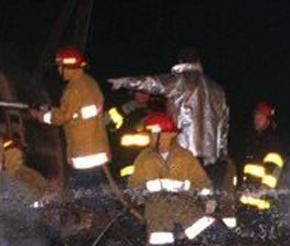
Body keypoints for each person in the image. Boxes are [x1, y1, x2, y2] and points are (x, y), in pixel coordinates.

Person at [127, 112, 221, 246]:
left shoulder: (185, 157)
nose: (150, 138)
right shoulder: (144, 159)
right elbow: (133, 189)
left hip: (187, 211)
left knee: (218, 235)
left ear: (166, 135)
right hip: (159, 214)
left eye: (153, 133)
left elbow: (201, 182)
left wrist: (208, 198)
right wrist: (145, 191)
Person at [109, 47, 232, 190]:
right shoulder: (218, 90)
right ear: (198, 62)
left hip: (184, 153)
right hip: (212, 159)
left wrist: (124, 81)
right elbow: (224, 126)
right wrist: (222, 155)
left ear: (180, 61)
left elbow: (151, 83)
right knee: (206, 197)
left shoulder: (179, 81)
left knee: (181, 199)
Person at [30, 46, 112, 193]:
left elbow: (64, 117)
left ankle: (88, 215)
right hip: (98, 149)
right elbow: (76, 113)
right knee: (97, 195)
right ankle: (104, 215)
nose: (58, 70)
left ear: (66, 67)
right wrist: (51, 109)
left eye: (60, 66)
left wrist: (41, 116)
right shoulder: (90, 83)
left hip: (83, 153)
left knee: (81, 196)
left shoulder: (73, 90)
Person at [238, 100, 284, 235]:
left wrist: (264, 188)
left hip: (263, 201)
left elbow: (274, 165)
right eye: (255, 116)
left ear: (268, 120)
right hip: (250, 198)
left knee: (263, 236)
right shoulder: (254, 139)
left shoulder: (272, 140)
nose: (256, 120)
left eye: (260, 117)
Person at [105, 89, 157, 179]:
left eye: (147, 92)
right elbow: (105, 122)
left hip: (148, 157)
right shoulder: (123, 109)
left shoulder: (154, 109)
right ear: (133, 92)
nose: (144, 95)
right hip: (124, 157)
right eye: (141, 92)